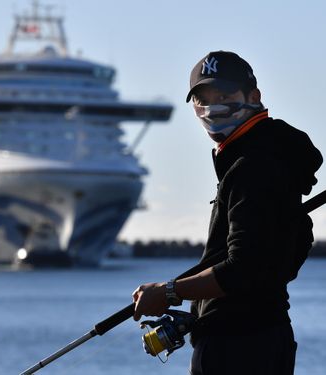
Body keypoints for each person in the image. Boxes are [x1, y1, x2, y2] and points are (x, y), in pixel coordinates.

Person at [132, 51, 323, 374]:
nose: (213, 108)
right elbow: (289, 251)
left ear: (254, 97)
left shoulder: (252, 167)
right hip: (263, 337)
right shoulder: (267, 158)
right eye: (202, 100)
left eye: (224, 95)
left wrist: (169, 292)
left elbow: (242, 269)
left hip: (237, 347)